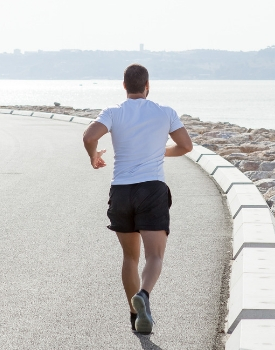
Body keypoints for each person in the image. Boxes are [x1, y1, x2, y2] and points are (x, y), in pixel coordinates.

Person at [82, 64, 193, 334]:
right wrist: (158, 152)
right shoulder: (165, 112)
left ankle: (135, 317)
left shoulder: (114, 112)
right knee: (154, 255)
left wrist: (94, 156)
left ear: (124, 86)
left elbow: (88, 136)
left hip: (121, 190)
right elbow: (186, 146)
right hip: (152, 190)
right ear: (147, 86)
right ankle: (143, 295)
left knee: (130, 258)